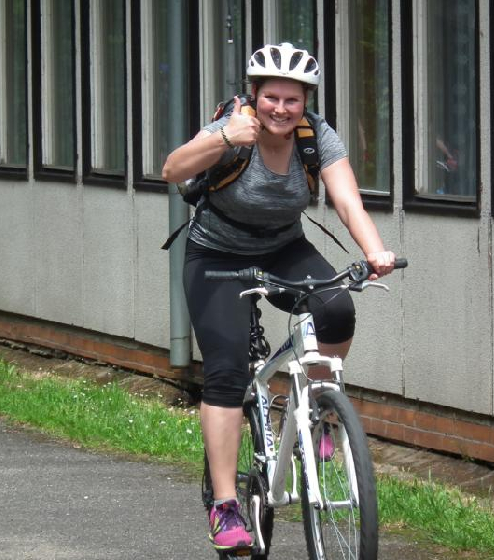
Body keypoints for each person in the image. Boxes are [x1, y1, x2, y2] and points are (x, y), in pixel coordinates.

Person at [162, 43, 398, 551]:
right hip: (216, 257)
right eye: (271, 97)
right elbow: (173, 169)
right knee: (225, 371)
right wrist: (224, 136)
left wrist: (375, 250)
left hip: (283, 248)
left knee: (337, 309)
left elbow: (346, 197)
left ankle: (316, 412)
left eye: (292, 100)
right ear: (255, 94)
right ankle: (225, 506)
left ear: (305, 101)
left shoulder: (316, 138)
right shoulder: (233, 127)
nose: (281, 109)